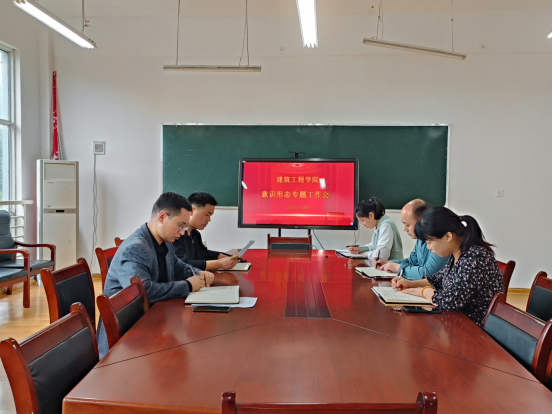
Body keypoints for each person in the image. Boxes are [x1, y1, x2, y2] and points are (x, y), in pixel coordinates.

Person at [97, 192, 215, 358]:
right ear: (162, 217)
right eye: (181, 225)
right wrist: (188, 285)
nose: (182, 233)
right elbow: (144, 292)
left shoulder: (165, 242)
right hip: (126, 340)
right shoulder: (136, 248)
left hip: (152, 322)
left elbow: (179, 267)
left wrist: (199, 274)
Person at [392, 206, 505, 328]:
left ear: (448, 237)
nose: (429, 247)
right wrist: (410, 284)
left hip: (475, 328)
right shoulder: (456, 253)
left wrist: (422, 291)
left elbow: (450, 301)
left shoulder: (475, 257)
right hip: (456, 320)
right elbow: (437, 279)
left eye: (430, 242)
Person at [375, 199, 448, 280]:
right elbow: (412, 261)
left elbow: (427, 273)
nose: (405, 229)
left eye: (407, 225)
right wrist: (390, 263)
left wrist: (398, 267)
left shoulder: (439, 239)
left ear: (422, 221)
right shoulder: (420, 239)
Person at [172, 192, 240, 271]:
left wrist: (225, 256)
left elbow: (204, 253)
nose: (209, 220)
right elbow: (183, 263)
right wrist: (220, 264)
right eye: (207, 215)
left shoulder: (195, 234)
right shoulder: (175, 234)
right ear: (192, 211)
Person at [348, 197, 403, 263]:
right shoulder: (378, 224)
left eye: (362, 220)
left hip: (393, 267)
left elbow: (381, 255)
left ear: (371, 215)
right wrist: (359, 249)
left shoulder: (386, 225)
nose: (362, 224)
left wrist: (366, 254)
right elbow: (374, 246)